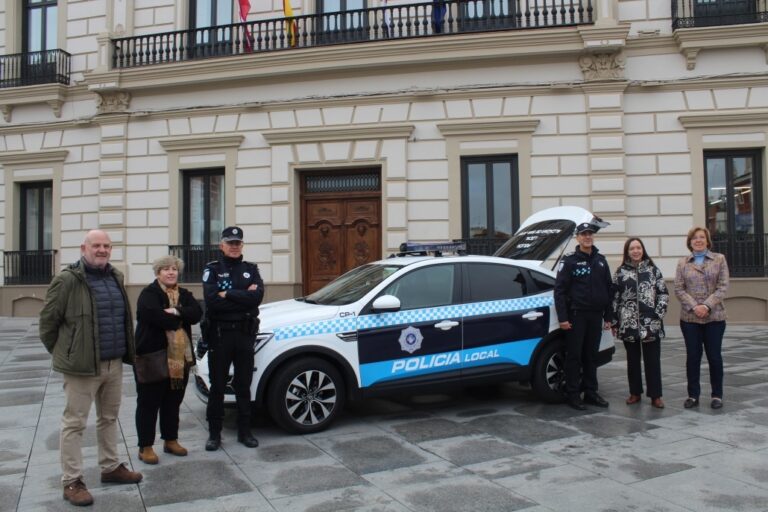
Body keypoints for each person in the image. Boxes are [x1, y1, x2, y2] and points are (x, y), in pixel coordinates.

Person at [38, 230, 142, 507]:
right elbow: (48, 324)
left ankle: (110, 467)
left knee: (109, 418)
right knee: (74, 424)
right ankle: (72, 480)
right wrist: (68, 354)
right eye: (96, 245)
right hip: (82, 368)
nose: (102, 250)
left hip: (114, 362)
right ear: (84, 247)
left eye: (106, 245)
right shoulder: (67, 280)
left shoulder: (116, 277)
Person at [134, 256, 202, 464]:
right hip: (152, 357)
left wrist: (175, 311)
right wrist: (181, 317)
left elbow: (197, 313)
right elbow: (155, 317)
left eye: (174, 269)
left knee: (173, 401)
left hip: (178, 359)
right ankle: (145, 446)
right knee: (149, 403)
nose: (171, 272)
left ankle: (170, 440)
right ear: (158, 273)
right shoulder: (149, 294)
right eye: (166, 269)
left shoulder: (184, 294)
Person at [202, 226, 264, 451]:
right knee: (217, 385)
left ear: (242, 245)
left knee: (243, 384)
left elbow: (256, 298)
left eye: (238, 243)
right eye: (230, 243)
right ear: (222, 246)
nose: (234, 247)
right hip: (220, 335)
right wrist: (244, 295)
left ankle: (245, 431)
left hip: (244, 334)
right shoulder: (213, 270)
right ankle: (214, 434)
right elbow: (211, 301)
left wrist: (227, 293)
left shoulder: (251, 269)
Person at [554, 221, 613, 411]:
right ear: (577, 238)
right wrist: (563, 318)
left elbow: (608, 289)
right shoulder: (569, 261)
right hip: (576, 316)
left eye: (590, 234)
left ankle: (590, 392)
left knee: (591, 356)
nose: (587, 237)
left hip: (595, 316)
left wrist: (609, 316)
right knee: (574, 356)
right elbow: (560, 291)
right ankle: (573, 394)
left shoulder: (601, 260)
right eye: (584, 234)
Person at [674, 226, 729, 410]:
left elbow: (723, 286)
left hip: (715, 318)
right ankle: (693, 395)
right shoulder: (683, 263)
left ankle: (717, 395)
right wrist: (695, 306)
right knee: (693, 357)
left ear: (707, 241)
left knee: (714, 357)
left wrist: (706, 305)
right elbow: (679, 289)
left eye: (701, 237)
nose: (698, 240)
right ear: (690, 242)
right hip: (690, 319)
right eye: (694, 238)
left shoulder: (719, 259)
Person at [611, 237, 669, 409]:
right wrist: (615, 321)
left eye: (638, 248)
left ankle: (655, 395)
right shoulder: (620, 272)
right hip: (628, 324)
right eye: (632, 248)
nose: (635, 251)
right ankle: (635, 393)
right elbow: (614, 298)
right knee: (632, 361)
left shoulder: (653, 270)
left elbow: (663, 294)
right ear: (627, 252)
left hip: (650, 324)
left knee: (653, 361)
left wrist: (657, 314)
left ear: (642, 250)